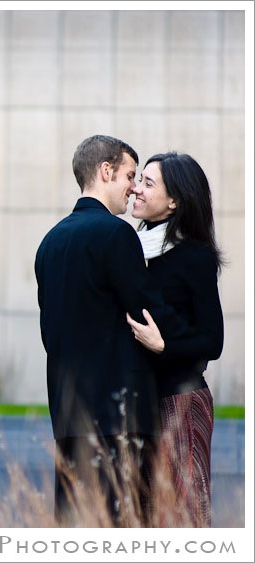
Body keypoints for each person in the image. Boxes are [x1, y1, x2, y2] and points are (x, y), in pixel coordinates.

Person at [34, 134, 188, 527]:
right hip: (120, 421)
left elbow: (50, 332)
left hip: (68, 418)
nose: (134, 187)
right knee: (124, 533)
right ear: (105, 171)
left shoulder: (49, 243)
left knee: (74, 534)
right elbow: (147, 312)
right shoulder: (116, 235)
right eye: (129, 175)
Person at [126, 152, 224, 527]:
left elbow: (212, 342)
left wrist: (163, 347)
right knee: (146, 518)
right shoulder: (132, 250)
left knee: (183, 519)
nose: (136, 188)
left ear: (174, 201)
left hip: (181, 403)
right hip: (141, 403)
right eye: (139, 180)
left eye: (148, 183)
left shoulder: (194, 257)